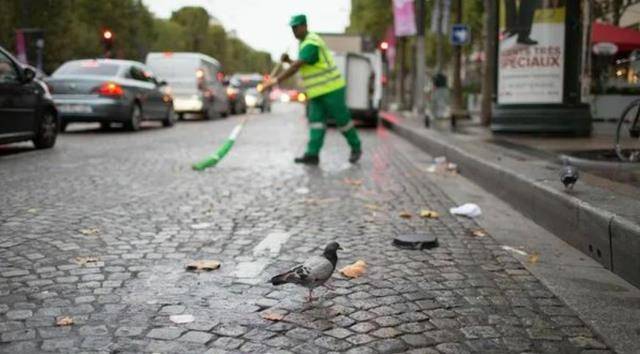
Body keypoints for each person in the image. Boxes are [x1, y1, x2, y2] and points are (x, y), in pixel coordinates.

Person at [262, 14, 362, 165]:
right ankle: (312, 154)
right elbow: (307, 64)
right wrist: (288, 60)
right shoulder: (304, 44)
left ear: (304, 26)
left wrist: (275, 80)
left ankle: (356, 147)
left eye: (296, 27)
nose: (294, 31)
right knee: (316, 122)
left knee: (343, 121)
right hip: (317, 93)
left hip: (332, 89)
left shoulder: (311, 42)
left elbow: (298, 66)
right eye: (292, 28)